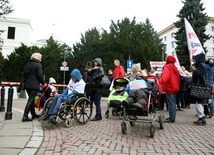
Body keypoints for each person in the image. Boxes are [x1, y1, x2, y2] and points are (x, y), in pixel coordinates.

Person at [22, 52, 46, 122]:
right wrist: (43, 83)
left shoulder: (28, 64)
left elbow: (24, 74)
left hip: (27, 85)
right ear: (37, 57)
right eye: (40, 58)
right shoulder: (38, 64)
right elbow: (39, 75)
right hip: (34, 85)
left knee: (31, 100)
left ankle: (33, 114)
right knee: (30, 100)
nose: (41, 59)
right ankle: (25, 116)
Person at [159, 55, 180, 123]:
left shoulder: (167, 67)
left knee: (170, 103)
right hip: (174, 87)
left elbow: (165, 77)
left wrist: (160, 82)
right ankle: (172, 116)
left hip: (169, 87)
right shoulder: (174, 67)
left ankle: (171, 118)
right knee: (173, 103)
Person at [190, 53, 207, 125]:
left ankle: (201, 117)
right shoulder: (200, 65)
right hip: (198, 86)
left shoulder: (200, 66)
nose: (194, 60)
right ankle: (201, 116)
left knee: (198, 102)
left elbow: (202, 75)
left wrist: (195, 70)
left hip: (199, 86)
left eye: (195, 59)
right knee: (198, 102)